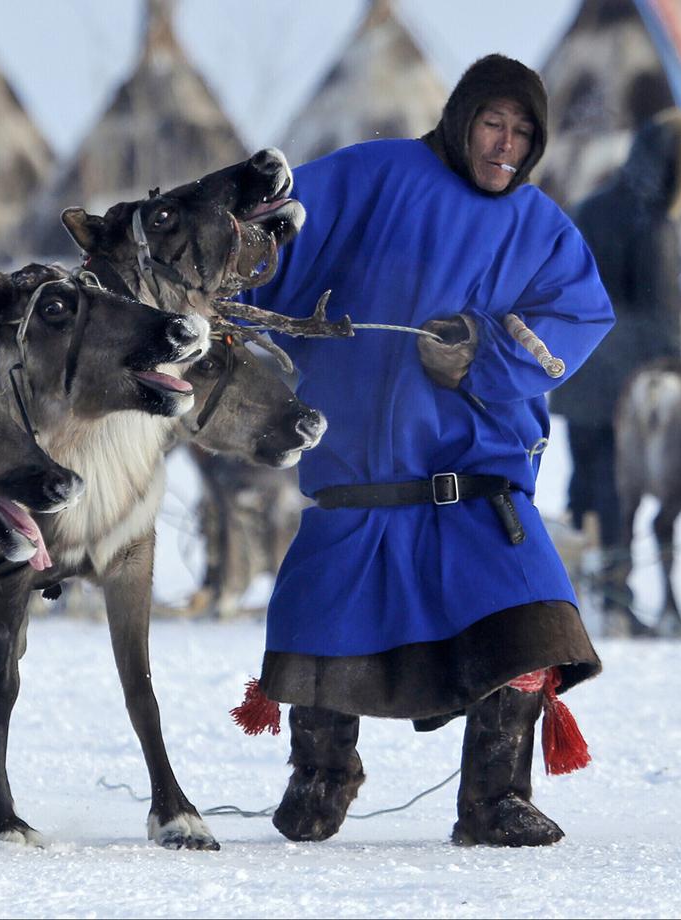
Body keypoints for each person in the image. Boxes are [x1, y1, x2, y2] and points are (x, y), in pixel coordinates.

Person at [239, 54, 614, 847]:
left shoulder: (541, 227)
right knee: (321, 639)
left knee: (530, 626)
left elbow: (577, 317)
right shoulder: (375, 175)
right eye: (492, 123)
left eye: (522, 132)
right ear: (460, 118)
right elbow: (272, 240)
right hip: (358, 490)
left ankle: (493, 800)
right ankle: (323, 772)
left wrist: (481, 349)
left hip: (479, 495)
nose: (505, 145)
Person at [548, 109, 681, 638]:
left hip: (578, 368)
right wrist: (675, 377)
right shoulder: (652, 223)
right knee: (617, 488)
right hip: (625, 383)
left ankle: (577, 592)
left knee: (585, 481)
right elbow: (659, 314)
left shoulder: (589, 208)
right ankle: (615, 594)